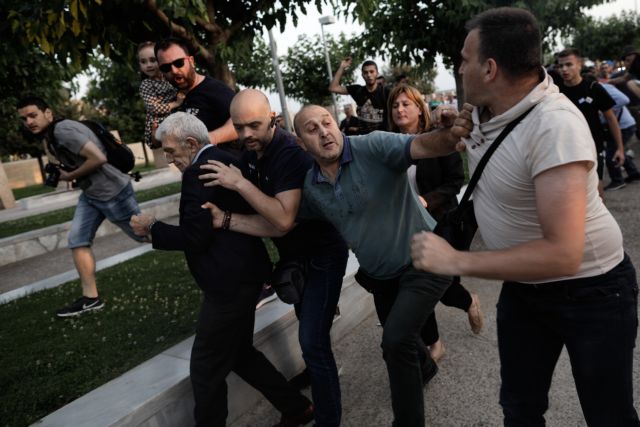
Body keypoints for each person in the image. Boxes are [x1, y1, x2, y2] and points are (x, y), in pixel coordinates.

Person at [410, 7, 639, 426]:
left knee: (609, 415)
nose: (458, 68)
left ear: (490, 69)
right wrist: (451, 126)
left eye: (464, 59)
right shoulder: (482, 110)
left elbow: (563, 255)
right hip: (524, 289)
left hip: (592, 291)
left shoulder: (554, 126)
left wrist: (457, 260)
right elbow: (456, 142)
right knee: (519, 407)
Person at [204, 100, 473, 426]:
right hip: (381, 277)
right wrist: (226, 219)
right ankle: (425, 368)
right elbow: (280, 223)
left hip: (425, 258)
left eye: (327, 122)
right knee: (396, 345)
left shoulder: (373, 146)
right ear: (302, 143)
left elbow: (425, 145)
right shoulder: (311, 187)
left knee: (395, 339)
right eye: (312, 129)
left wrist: (451, 133)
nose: (324, 132)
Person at [129, 112, 313, 427]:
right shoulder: (225, 159)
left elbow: (195, 237)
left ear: (190, 143)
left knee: (205, 368)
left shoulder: (198, 171)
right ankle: (296, 408)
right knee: (239, 353)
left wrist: (153, 228)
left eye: (170, 151)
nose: (169, 158)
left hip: (229, 284)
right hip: (246, 274)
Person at [198, 89, 349, 427]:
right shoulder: (252, 152)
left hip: (323, 256)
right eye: (239, 127)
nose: (246, 134)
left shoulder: (289, 153)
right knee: (313, 337)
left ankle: (328, 420)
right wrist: (223, 218)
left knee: (312, 342)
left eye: (254, 125)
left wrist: (239, 185)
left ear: (272, 119)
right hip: (295, 259)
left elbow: (281, 220)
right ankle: (319, 376)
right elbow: (273, 223)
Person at [17, 97, 146, 317]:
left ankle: (195, 239)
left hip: (112, 193)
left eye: (33, 115)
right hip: (92, 194)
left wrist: (70, 176)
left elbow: (98, 158)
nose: (29, 122)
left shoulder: (62, 131)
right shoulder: (53, 134)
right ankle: (90, 299)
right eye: (24, 119)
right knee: (78, 240)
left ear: (48, 113)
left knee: (145, 235)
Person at [388, 84, 483, 363]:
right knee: (415, 283)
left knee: (444, 287)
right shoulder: (388, 143)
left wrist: (426, 201)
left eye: (406, 104)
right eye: (395, 105)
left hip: (441, 222)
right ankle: (435, 344)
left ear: (420, 109)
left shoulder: (438, 138)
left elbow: (455, 181)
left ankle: (469, 301)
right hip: (406, 226)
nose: (400, 109)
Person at [556, 47, 625, 193]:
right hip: (566, 149)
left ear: (579, 64)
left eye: (569, 64)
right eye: (560, 65)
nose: (564, 69)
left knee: (596, 191)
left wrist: (620, 148)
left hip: (593, 148)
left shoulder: (593, 88)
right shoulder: (556, 91)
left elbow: (611, 119)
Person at [154, 37, 237, 149]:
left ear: (191, 61)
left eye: (179, 63)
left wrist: (212, 138)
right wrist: (157, 135)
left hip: (223, 159)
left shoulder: (215, 89)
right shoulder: (169, 99)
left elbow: (242, 120)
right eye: (166, 67)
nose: (174, 71)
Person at [137, 41, 185, 149]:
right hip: (159, 122)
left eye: (152, 60)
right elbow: (154, 108)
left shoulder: (168, 78)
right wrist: (175, 104)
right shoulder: (146, 84)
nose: (148, 65)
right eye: (143, 62)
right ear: (139, 65)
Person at [329, 57, 390, 134]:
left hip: (383, 137)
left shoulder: (386, 92)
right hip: (363, 138)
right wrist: (342, 67)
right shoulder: (357, 90)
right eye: (365, 72)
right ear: (362, 75)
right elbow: (333, 88)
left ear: (377, 73)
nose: (369, 75)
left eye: (372, 72)